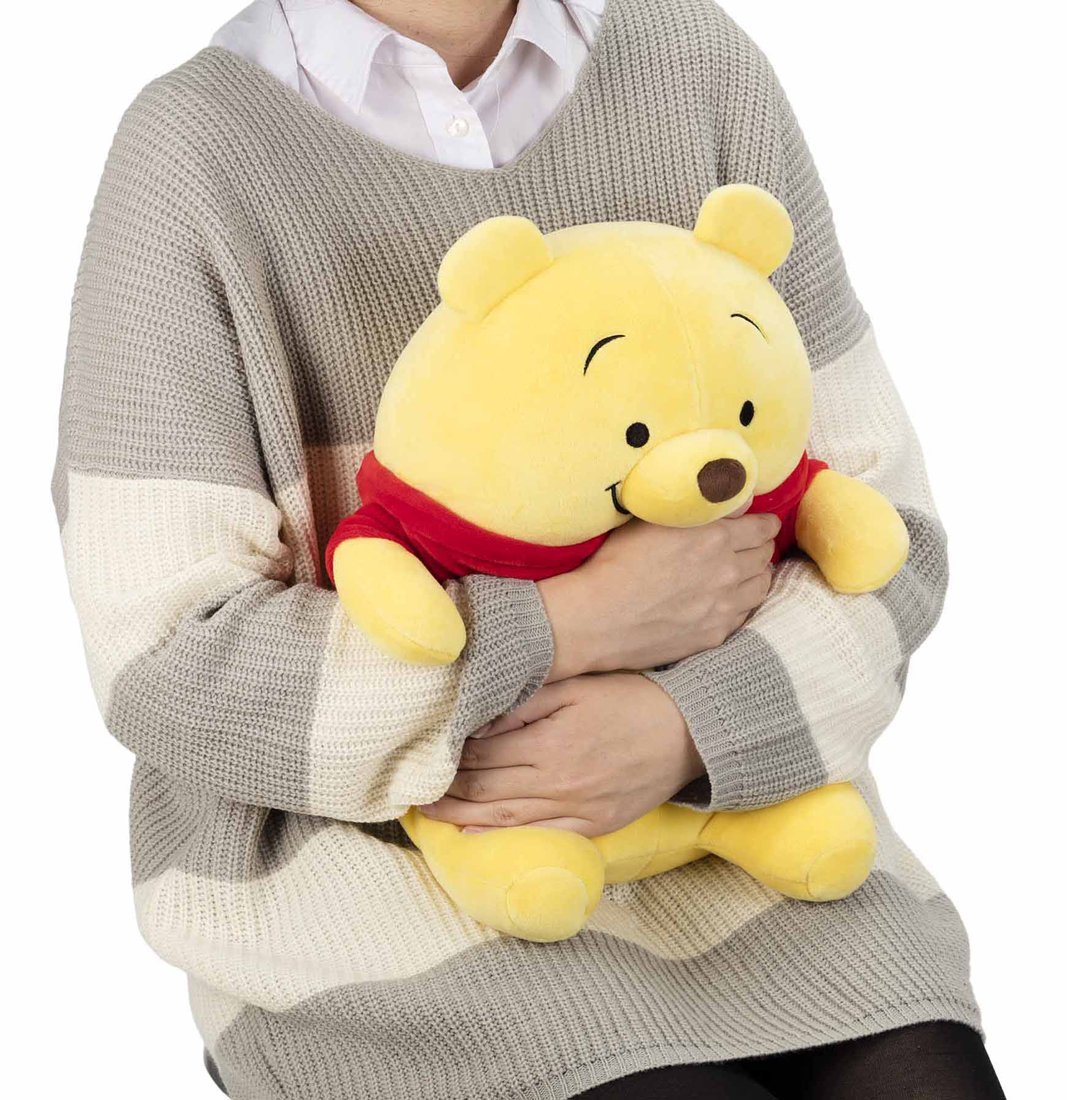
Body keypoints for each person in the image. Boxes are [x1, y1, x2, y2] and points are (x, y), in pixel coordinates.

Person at [52, 1, 1006, 1097]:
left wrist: (688, 724)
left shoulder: (695, 62)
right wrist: (562, 626)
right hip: (386, 903)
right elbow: (168, 661)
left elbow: (886, 536)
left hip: (761, 850)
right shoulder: (192, 149)